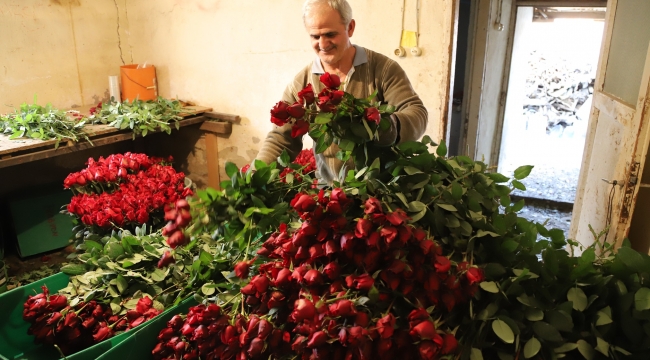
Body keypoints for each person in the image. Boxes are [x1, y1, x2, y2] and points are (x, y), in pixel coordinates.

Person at [256, 0, 428, 184]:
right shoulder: (303, 82)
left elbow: (417, 113)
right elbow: (281, 139)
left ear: (350, 27)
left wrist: (386, 127)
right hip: (330, 194)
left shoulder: (383, 70)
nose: (322, 44)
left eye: (330, 34)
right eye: (315, 36)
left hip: (383, 191)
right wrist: (254, 177)